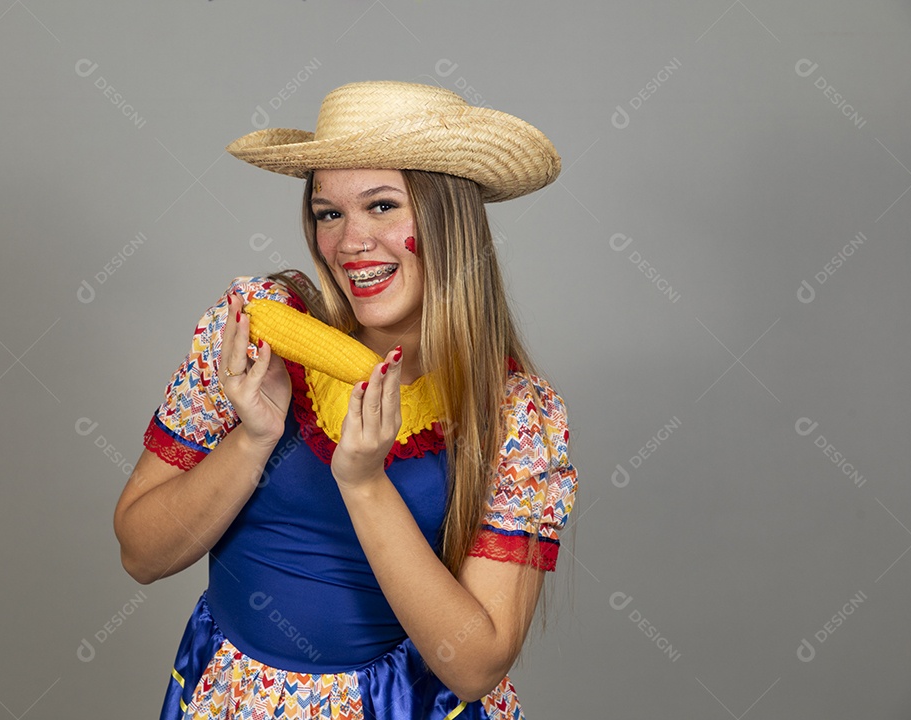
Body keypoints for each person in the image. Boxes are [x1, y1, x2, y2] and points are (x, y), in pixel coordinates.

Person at [113, 80, 579, 720]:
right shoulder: (258, 333)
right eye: (328, 212)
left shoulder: (516, 417)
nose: (349, 242)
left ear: (450, 220)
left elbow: (475, 666)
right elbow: (140, 554)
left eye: (382, 206)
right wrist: (252, 439)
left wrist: (363, 483)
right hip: (234, 698)